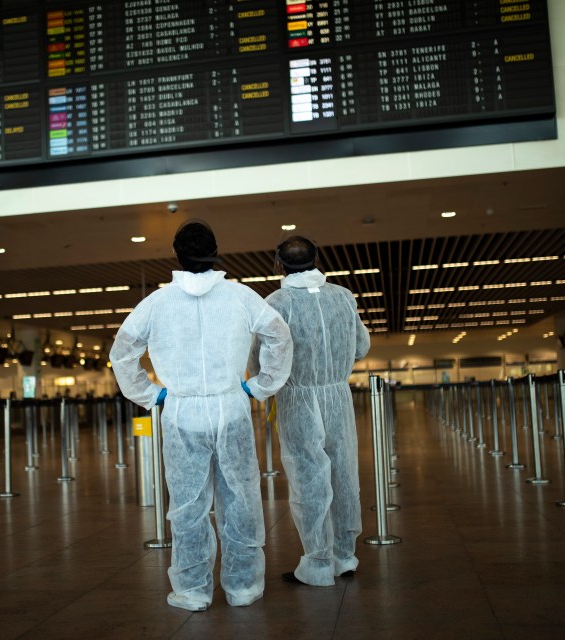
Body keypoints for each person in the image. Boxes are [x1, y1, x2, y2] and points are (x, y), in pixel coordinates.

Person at [109, 219, 293, 612]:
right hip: (231, 406)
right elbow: (279, 335)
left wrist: (151, 394)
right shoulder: (241, 296)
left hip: (181, 411)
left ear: (176, 255)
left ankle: (193, 590)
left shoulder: (156, 303)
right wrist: (260, 385)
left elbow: (122, 352)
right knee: (240, 498)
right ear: (215, 251)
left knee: (188, 504)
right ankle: (243, 587)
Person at [250, 235, 370, 587]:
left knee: (308, 478)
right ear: (319, 260)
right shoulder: (343, 297)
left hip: (296, 397)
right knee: (344, 473)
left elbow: (260, 357)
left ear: (278, 264)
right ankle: (345, 556)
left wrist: (262, 383)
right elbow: (361, 346)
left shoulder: (275, 302)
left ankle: (318, 563)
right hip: (337, 394)